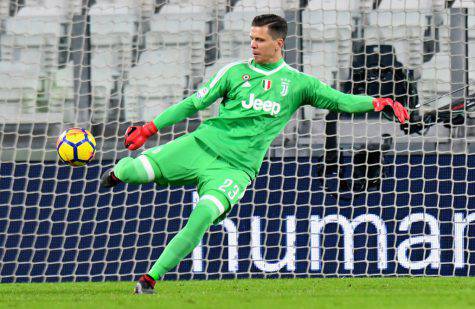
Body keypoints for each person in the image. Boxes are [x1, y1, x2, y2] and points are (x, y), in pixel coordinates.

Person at [101, 14, 409, 294]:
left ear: (279, 43)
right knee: (131, 173)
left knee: (202, 218)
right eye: (251, 38)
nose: (253, 45)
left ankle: (149, 280)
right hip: (198, 146)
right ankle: (118, 172)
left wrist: (379, 103)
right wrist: (148, 129)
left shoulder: (298, 84)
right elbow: (193, 104)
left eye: (259, 39)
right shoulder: (234, 73)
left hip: (235, 170)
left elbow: (340, 101)